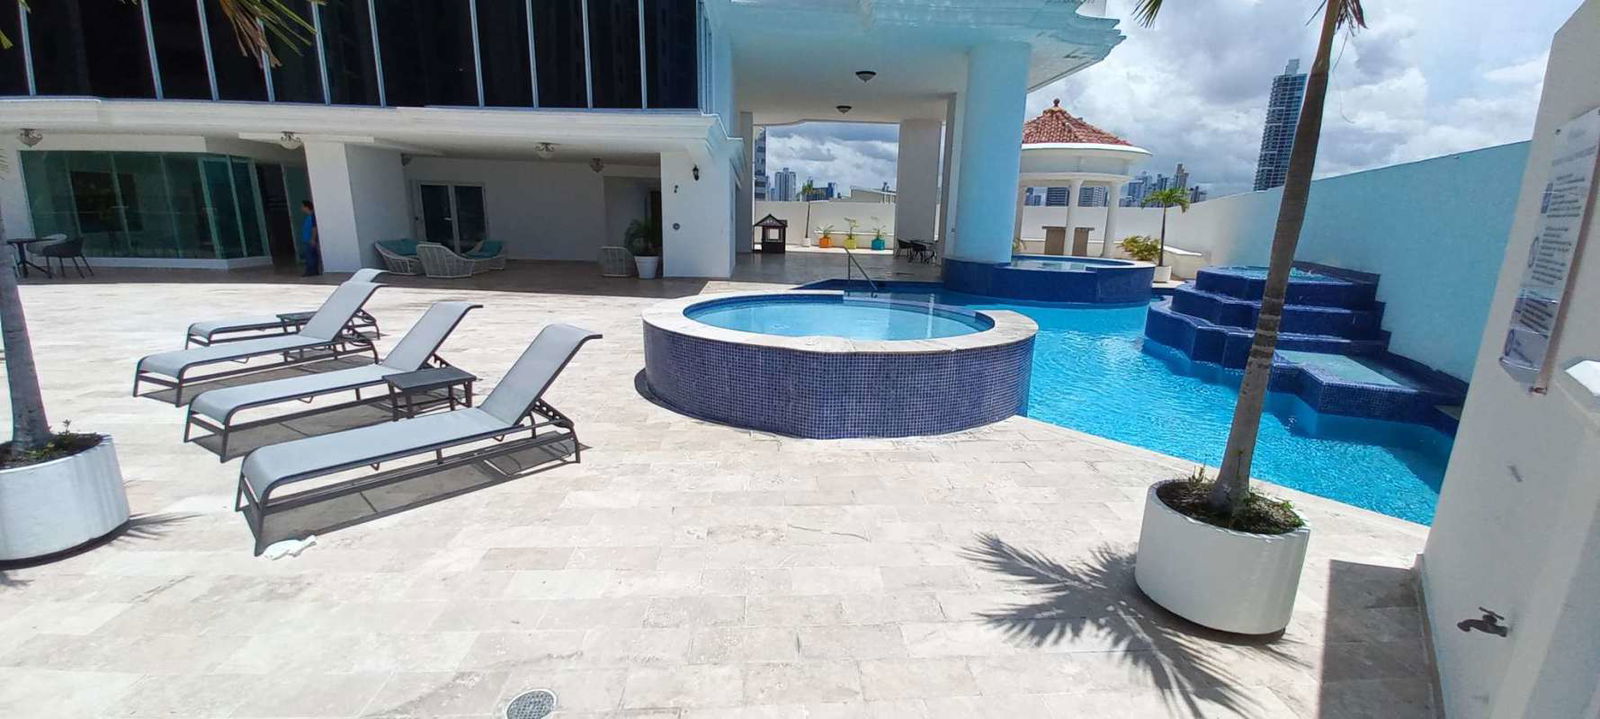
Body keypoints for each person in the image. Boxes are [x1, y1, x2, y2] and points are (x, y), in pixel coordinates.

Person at [298, 200, 322, 276]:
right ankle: (312, 271)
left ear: (306, 207)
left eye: (302, 206)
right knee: (310, 255)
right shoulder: (309, 217)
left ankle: (312, 271)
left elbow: (314, 228)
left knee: (311, 256)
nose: (301, 208)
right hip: (307, 240)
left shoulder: (312, 217)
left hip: (310, 240)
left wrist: (313, 239)